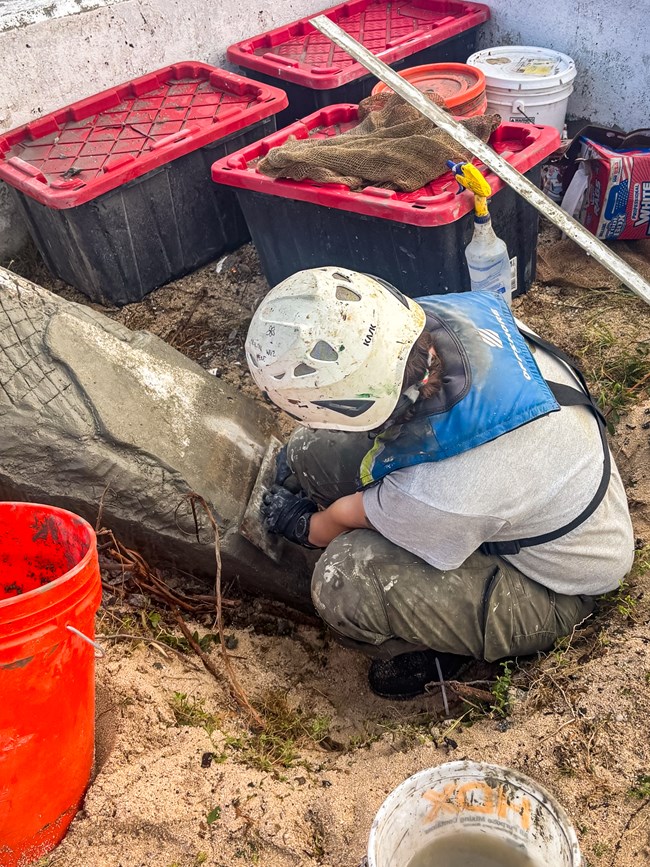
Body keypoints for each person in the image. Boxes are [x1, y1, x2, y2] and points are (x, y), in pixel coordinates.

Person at [245, 267, 635, 699]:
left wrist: (305, 526)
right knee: (310, 449)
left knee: (345, 578)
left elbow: (346, 518)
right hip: (534, 496)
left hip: (557, 588)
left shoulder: (442, 492)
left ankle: (446, 646)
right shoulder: (446, 319)